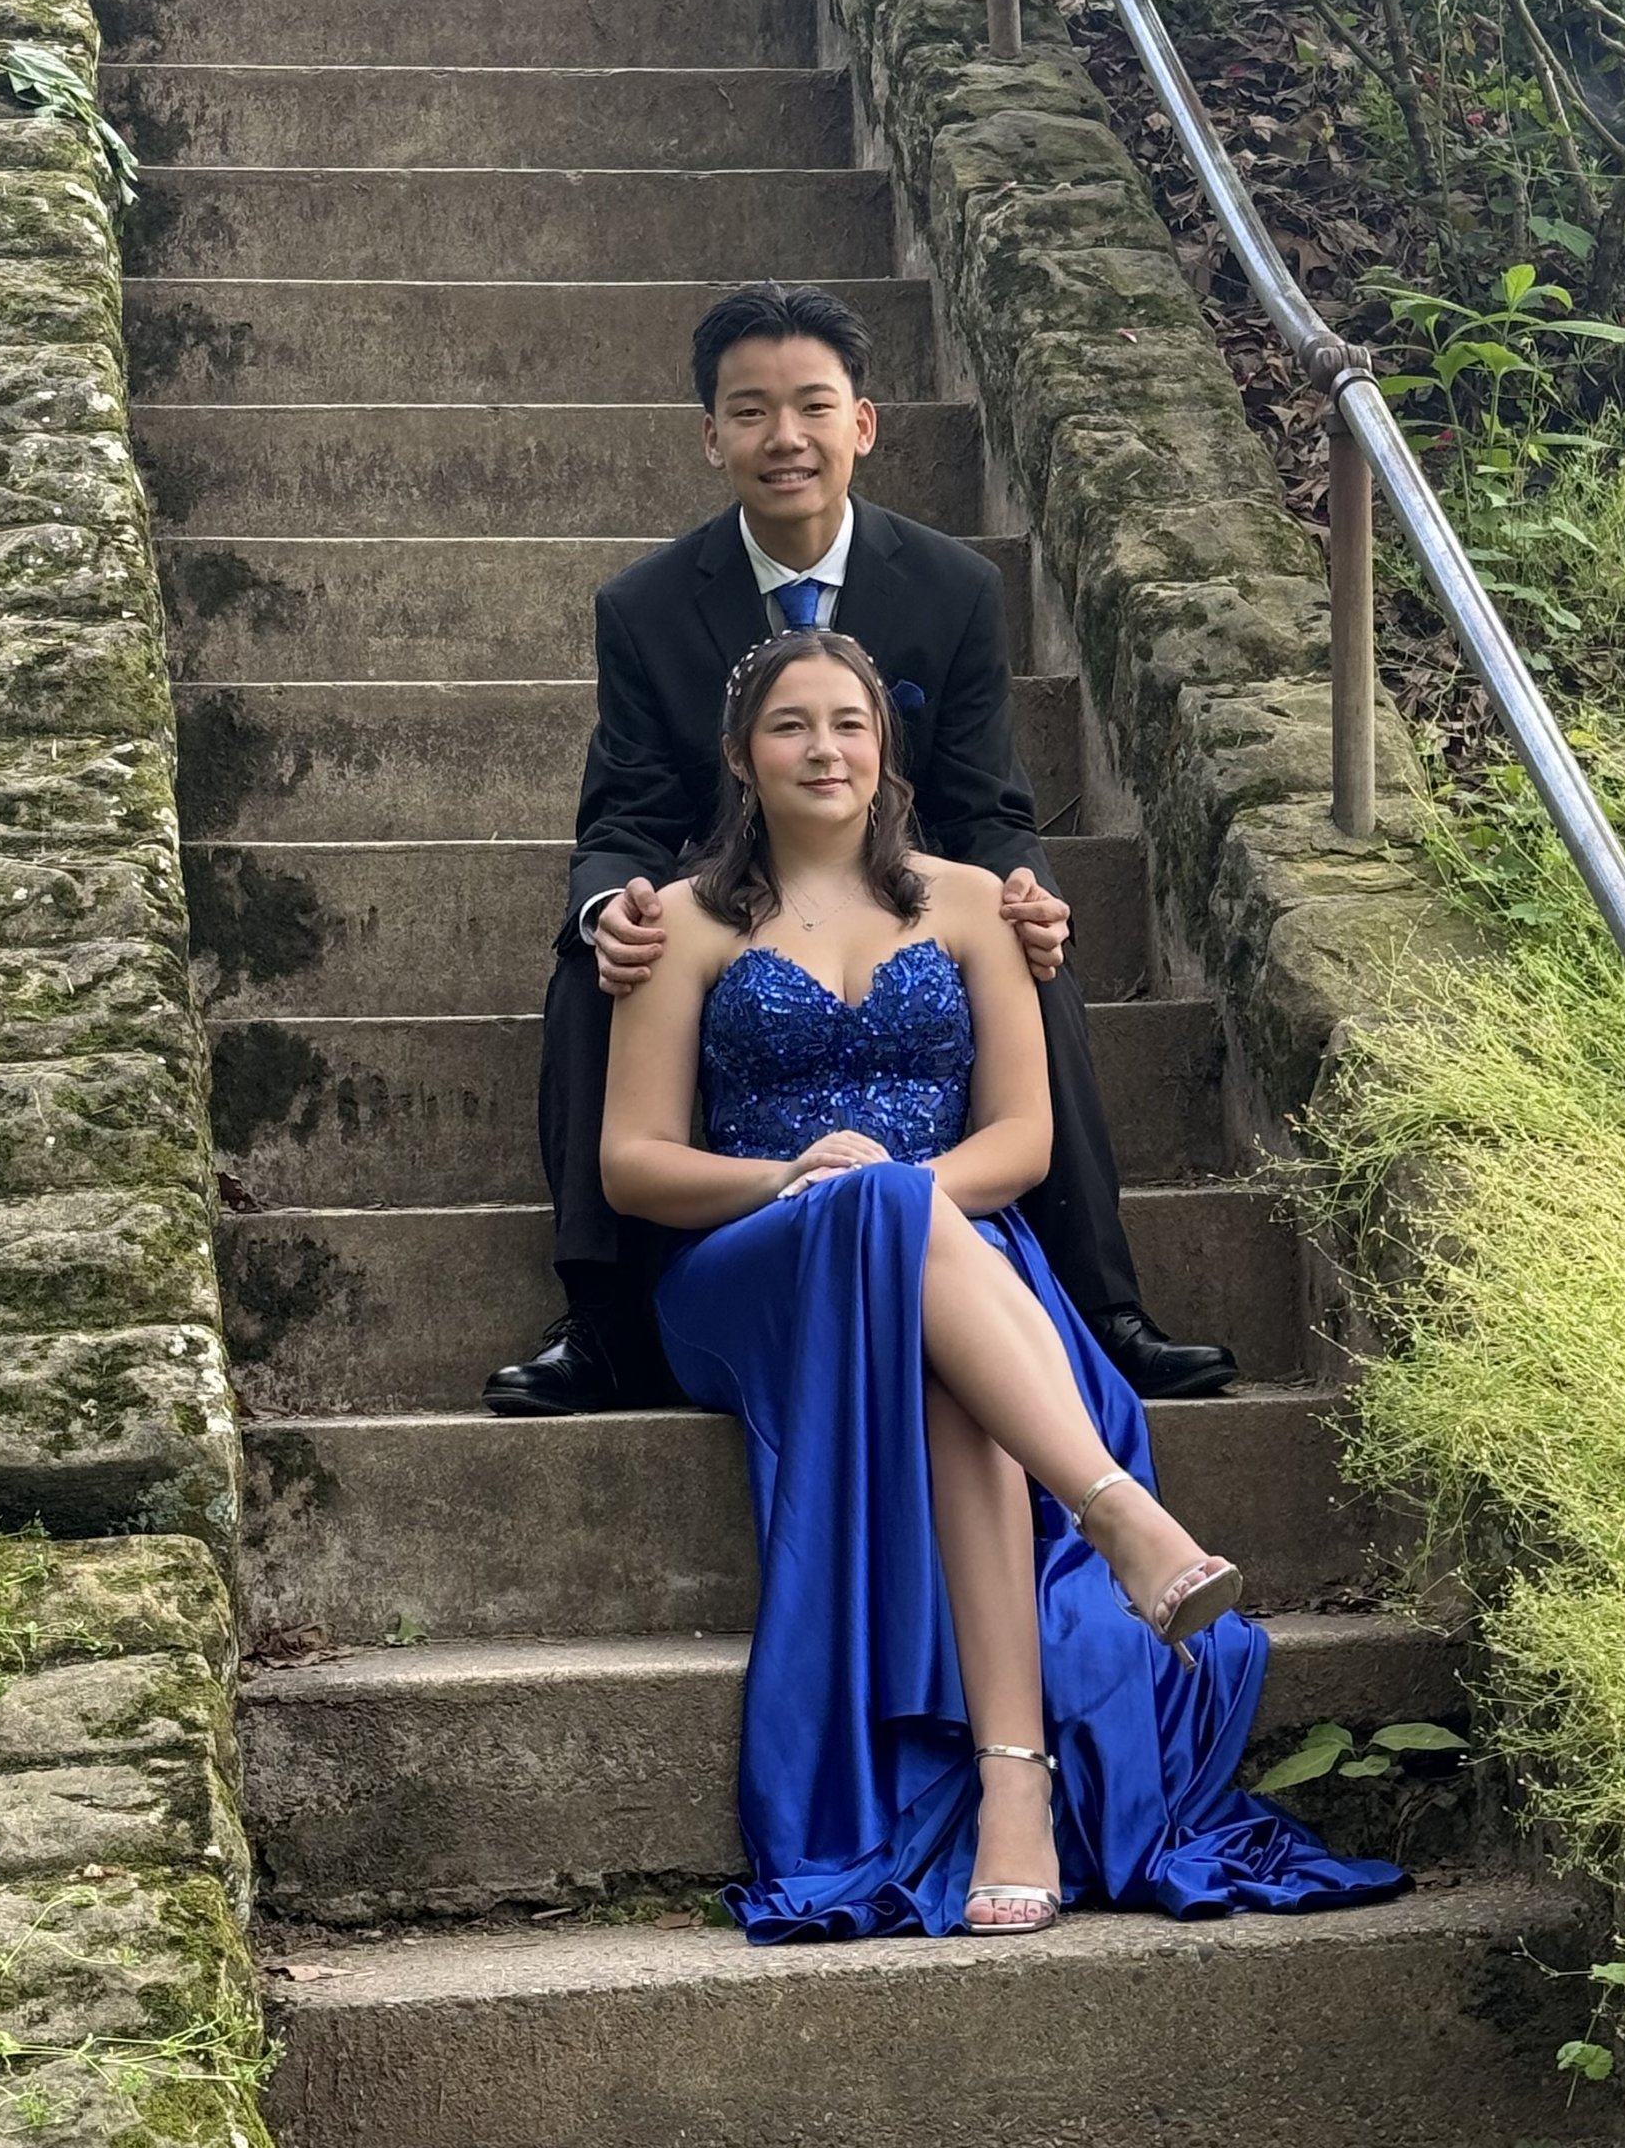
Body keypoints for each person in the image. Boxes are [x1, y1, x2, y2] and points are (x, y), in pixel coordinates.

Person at [598, 626, 1405, 1938]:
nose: (824, 748)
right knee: (880, 1209)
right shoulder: (678, 922)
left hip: (952, 1247)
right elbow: (632, 1164)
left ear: (886, 746)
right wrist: (802, 1183)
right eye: (792, 725)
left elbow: (1024, 1143)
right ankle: (1117, 1513)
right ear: (744, 757)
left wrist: (899, 1204)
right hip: (751, 1270)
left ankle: (1013, 1791)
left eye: (849, 722)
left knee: (925, 1307)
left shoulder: (976, 900)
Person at [486, 278, 1238, 1417]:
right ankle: (601, 1323)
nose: (783, 438)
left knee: (1033, 952)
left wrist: (1022, 885)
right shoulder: (644, 605)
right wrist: (613, 907)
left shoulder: (949, 585)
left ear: (862, 423)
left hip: (902, 893)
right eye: (750, 411)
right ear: (710, 436)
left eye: (811, 406)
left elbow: (985, 799)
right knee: (597, 967)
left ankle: (1099, 1304)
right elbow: (625, 810)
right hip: (732, 899)